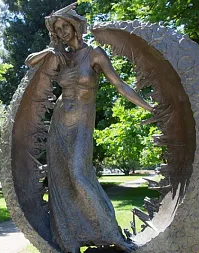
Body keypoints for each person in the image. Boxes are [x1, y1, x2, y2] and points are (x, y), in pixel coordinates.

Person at [25, 3, 153, 252]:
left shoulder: (95, 54)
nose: (62, 32)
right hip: (60, 124)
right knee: (60, 180)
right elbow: (30, 61)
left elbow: (120, 85)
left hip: (82, 123)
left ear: (75, 26)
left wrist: (148, 107)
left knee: (79, 175)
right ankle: (70, 240)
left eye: (65, 26)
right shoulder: (60, 55)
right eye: (58, 29)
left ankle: (113, 235)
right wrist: (50, 50)